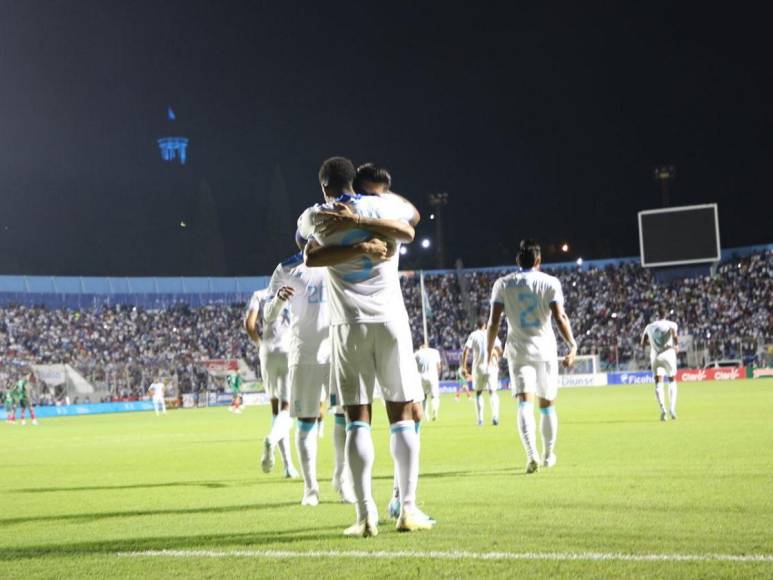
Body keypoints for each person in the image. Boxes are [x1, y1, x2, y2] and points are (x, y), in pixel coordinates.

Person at [298, 156, 431, 536]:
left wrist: (350, 232)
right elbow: (412, 221)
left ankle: (365, 515)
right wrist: (367, 232)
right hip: (390, 320)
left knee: (358, 418)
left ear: (325, 185)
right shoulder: (386, 205)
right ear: (355, 182)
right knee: (402, 414)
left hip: (348, 324)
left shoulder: (316, 215)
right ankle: (407, 509)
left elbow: (308, 253)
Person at [264, 249, 352, 506]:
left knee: (344, 415)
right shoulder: (287, 267)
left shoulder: (338, 259)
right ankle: (310, 489)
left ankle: (341, 479)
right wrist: (279, 300)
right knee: (306, 421)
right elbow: (268, 315)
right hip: (303, 354)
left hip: (335, 351)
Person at [487, 239, 577, 473]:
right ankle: (548, 455)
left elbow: (493, 321)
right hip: (546, 350)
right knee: (547, 406)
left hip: (518, 351)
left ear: (518, 261)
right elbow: (560, 317)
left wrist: (489, 352)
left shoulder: (503, 284)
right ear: (538, 261)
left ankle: (531, 455)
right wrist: (572, 344)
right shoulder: (550, 282)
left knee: (524, 404)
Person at [245, 288, 299, 479]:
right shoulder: (294, 293)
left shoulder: (259, 294)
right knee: (287, 409)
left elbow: (249, 325)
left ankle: (287, 465)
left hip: (267, 352)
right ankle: (272, 441)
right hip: (288, 351)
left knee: (276, 411)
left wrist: (260, 344)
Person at [462, 320, 503, 426]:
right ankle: (495, 417)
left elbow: (466, 350)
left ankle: (480, 420)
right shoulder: (491, 333)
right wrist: (496, 354)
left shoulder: (473, 335)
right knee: (493, 392)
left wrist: (464, 367)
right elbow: (500, 350)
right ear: (485, 325)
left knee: (479, 392)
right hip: (491, 367)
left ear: (477, 325)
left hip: (478, 368)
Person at [641, 315, 679, 421]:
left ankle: (663, 410)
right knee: (672, 380)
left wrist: (652, 343)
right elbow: (673, 332)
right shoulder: (671, 324)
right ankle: (672, 408)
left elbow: (643, 343)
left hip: (655, 356)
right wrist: (676, 345)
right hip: (668, 354)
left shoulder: (649, 326)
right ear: (666, 315)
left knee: (658, 383)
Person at [415, 342, 442, 421]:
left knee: (424, 397)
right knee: (435, 396)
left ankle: (426, 416)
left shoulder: (417, 353)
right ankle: (435, 411)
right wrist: (438, 375)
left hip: (421, 377)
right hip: (433, 376)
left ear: (421, 346)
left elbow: (413, 365)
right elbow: (439, 366)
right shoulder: (435, 352)